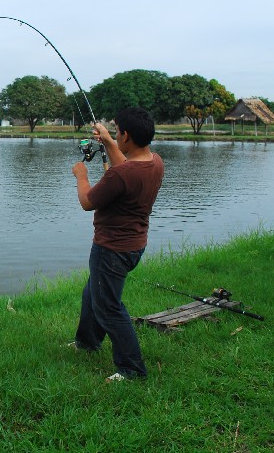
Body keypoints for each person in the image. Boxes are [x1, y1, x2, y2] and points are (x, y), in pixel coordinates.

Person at [70, 107, 164, 382]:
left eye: (117, 130)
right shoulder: (154, 162)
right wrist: (110, 142)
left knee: (109, 307)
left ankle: (132, 368)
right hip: (134, 245)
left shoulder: (119, 175)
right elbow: (127, 165)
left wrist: (81, 175)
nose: (115, 133)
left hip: (111, 249)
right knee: (93, 294)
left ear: (127, 135)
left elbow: (88, 202)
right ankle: (87, 342)